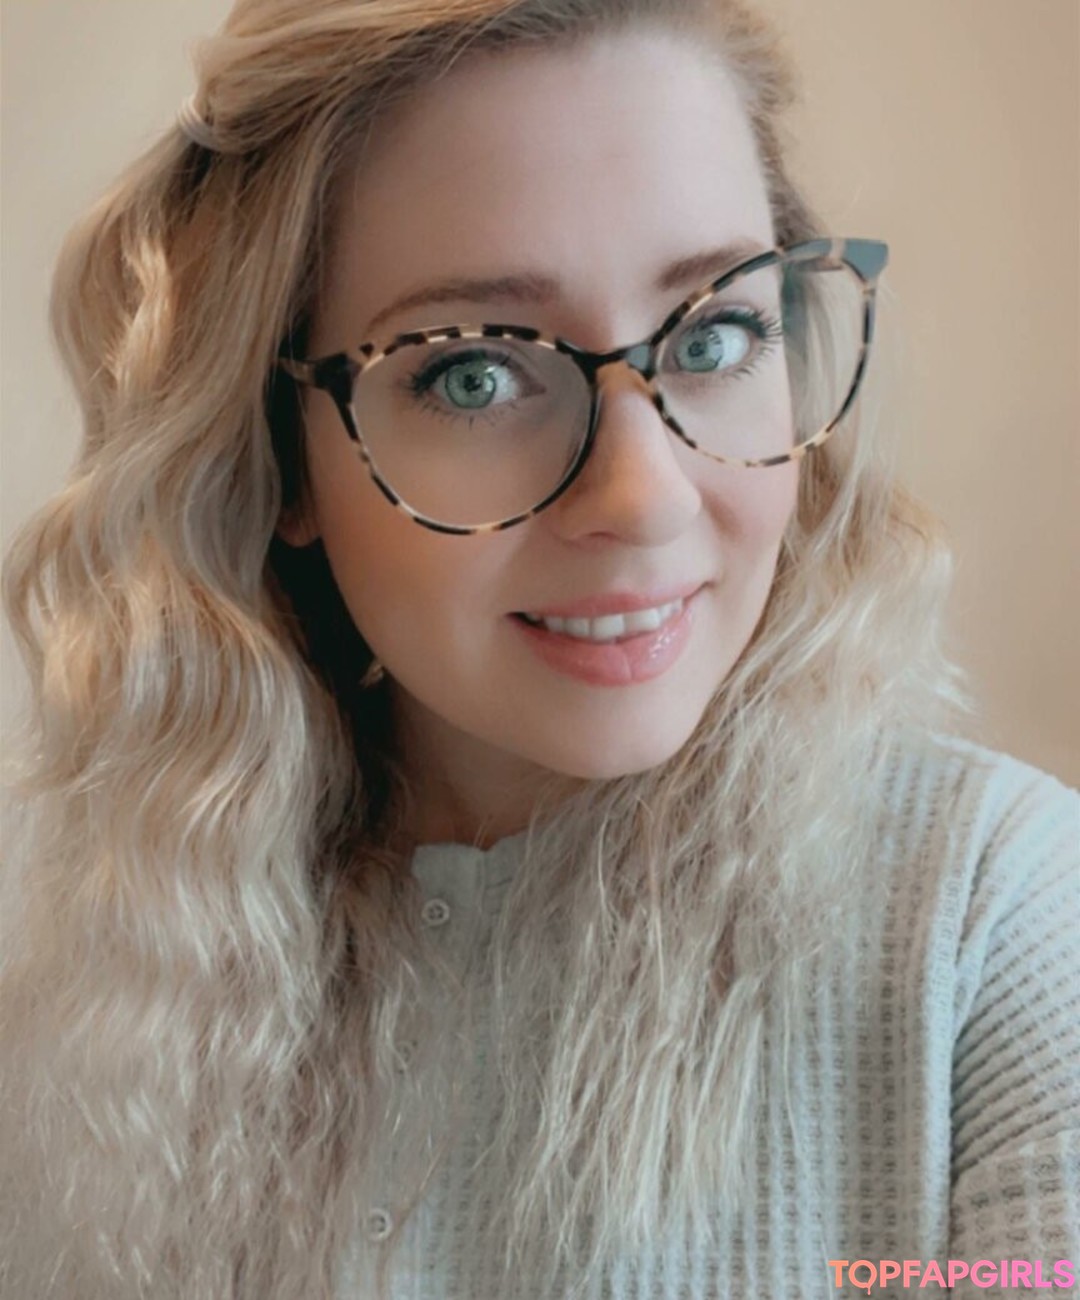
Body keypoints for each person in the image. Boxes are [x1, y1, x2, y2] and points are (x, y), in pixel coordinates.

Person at [1, 1, 1076, 1297]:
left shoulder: (1002, 932)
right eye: (474, 374)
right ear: (277, 451)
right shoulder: (93, 1010)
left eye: (715, 335)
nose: (644, 497)